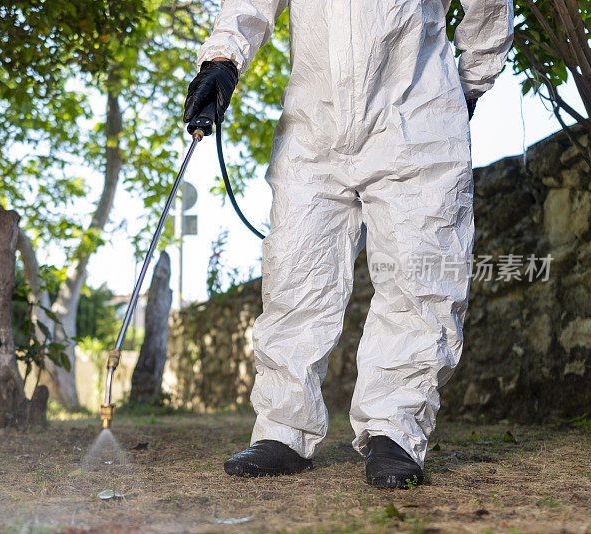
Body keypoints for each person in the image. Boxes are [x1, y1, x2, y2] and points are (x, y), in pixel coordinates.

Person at [183, 0, 513, 488]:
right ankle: (282, 430)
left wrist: (465, 86)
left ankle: (395, 431)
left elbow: (489, 8)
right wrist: (221, 61)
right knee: (295, 275)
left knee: (419, 277)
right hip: (314, 121)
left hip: (416, 111)